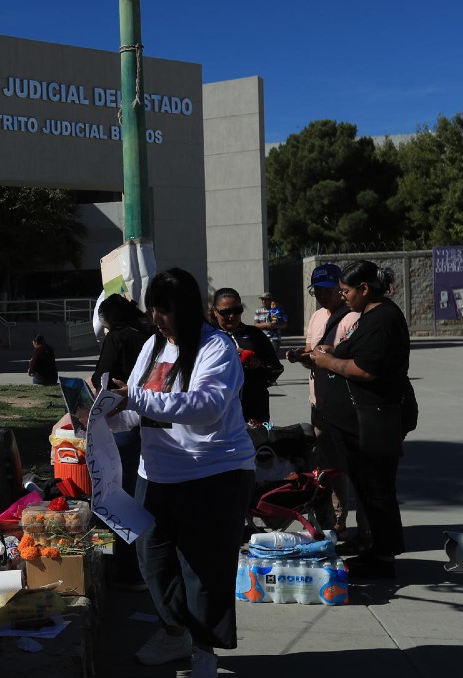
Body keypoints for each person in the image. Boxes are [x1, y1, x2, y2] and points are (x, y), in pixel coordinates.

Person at [102, 268, 254, 677]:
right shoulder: (153, 346)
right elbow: (135, 413)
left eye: (165, 310)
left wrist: (134, 398)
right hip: (156, 474)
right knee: (152, 561)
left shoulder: (215, 347)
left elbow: (206, 406)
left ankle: (204, 650)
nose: (158, 318)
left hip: (213, 473)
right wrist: (100, 415)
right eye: (153, 309)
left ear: (186, 309)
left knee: (203, 571)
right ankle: (174, 633)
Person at [307, 260, 410, 579]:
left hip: (376, 420)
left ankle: (383, 557)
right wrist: (328, 351)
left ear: (364, 289)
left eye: (346, 291)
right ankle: (376, 551)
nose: (343, 297)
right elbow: (353, 350)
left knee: (378, 490)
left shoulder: (383, 319)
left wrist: (329, 362)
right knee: (368, 488)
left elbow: (366, 369)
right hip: (361, 422)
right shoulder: (369, 316)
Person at [286, 264, 360, 540]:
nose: (322, 295)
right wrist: (302, 357)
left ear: (341, 289)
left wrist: (328, 357)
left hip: (348, 405)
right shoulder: (317, 316)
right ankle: (338, 522)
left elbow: (357, 361)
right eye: (317, 290)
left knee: (357, 468)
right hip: (320, 403)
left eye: (328, 290)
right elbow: (311, 355)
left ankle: (367, 530)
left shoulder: (353, 317)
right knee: (330, 467)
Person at [89, 294, 153, 590]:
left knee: (116, 496)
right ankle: (141, 567)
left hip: (123, 421)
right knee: (140, 494)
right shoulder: (150, 334)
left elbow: (100, 376)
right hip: (152, 423)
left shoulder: (118, 337)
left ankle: (126, 569)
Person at [209, 288, 283, 424]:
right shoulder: (207, 337)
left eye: (237, 310)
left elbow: (275, 369)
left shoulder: (255, 334)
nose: (232, 316)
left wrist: (257, 365)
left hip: (254, 410)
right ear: (215, 311)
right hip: (219, 412)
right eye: (225, 312)